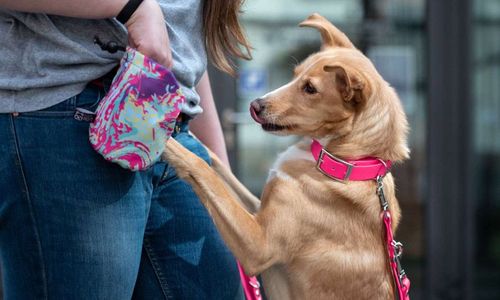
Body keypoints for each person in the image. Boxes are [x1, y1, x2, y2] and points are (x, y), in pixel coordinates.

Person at [0, 0, 252, 299]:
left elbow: (179, 45)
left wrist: (221, 177)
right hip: (69, 113)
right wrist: (132, 7)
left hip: (168, 123)